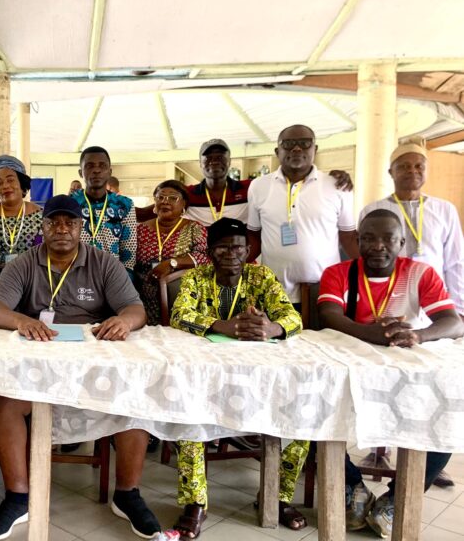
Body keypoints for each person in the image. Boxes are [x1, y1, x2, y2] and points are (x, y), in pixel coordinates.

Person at [0, 195, 158, 540]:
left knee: (135, 394)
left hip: (92, 362)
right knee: (4, 400)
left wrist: (123, 321)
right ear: (43, 226)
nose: (62, 229)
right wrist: (21, 320)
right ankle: (18, 498)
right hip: (40, 359)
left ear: (80, 228)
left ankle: (127, 495)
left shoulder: (103, 262)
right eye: (54, 222)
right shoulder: (24, 262)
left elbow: (136, 310)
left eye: (70, 223)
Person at [318, 209, 464, 537]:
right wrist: (372, 333)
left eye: (388, 238)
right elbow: (329, 315)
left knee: (448, 416)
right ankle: (353, 487)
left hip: (404, 370)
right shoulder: (338, 272)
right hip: (352, 368)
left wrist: (417, 335)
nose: (378, 246)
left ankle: (396, 499)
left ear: (402, 242)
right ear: (357, 241)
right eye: (369, 238)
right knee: (312, 410)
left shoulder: (420, 273)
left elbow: (453, 323)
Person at [170, 218, 305, 537]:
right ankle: (195, 502)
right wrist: (222, 326)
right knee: (186, 414)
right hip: (207, 378)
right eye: (223, 248)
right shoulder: (196, 277)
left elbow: (292, 317)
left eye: (238, 248)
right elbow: (179, 314)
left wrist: (271, 328)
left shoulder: (262, 276)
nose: (231, 254)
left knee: (302, 420)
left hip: (259, 378)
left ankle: (277, 497)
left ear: (247, 251)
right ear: (210, 252)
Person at [247, 125, 359, 306]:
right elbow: (254, 235)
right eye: (288, 143)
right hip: (275, 291)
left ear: (315, 149)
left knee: (326, 326)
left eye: (305, 143)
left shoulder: (337, 186)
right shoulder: (259, 186)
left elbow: (349, 237)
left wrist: (370, 274)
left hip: (325, 291)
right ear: (277, 151)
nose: (297, 148)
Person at [360, 142, 463, 317]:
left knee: (436, 333)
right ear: (391, 172)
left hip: (435, 296)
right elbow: (365, 259)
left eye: (418, 166)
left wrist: (459, 309)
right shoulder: (372, 210)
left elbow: (456, 261)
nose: (412, 171)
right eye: (404, 166)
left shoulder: (445, 209)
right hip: (389, 297)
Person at [185, 138, 352, 228]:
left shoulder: (250, 187)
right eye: (208, 158)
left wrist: (329, 179)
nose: (214, 161)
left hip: (239, 262)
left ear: (229, 161)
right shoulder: (186, 194)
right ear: (200, 163)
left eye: (220, 157)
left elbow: (290, 181)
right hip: (200, 263)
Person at [134, 180, 208, 325]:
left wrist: (172, 263)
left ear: (184, 204)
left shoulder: (194, 228)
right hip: (144, 299)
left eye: (173, 198)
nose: (165, 202)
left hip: (183, 299)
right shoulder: (140, 229)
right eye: (160, 197)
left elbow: (203, 257)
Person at [70, 146, 137, 278]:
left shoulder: (124, 204)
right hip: (74, 275)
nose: (96, 170)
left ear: (110, 171)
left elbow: (129, 250)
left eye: (102, 165)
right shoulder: (69, 203)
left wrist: (122, 281)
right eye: (89, 166)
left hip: (112, 275)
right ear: (81, 172)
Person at [0, 155, 43, 273]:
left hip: (34, 280)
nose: (5, 186)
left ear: (21, 182)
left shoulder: (42, 216)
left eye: (10, 180)